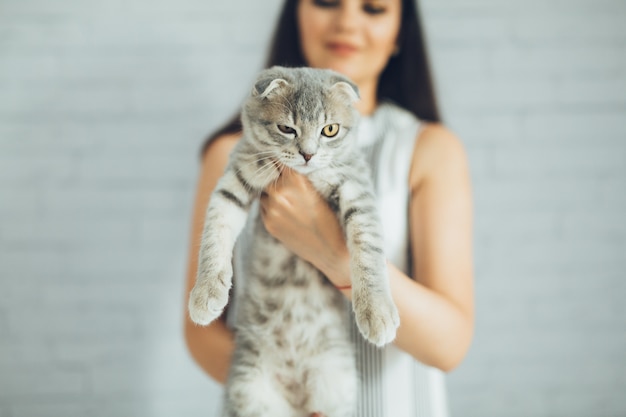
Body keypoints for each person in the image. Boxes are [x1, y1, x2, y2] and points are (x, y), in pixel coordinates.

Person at [183, 0, 474, 416]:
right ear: (295, 14)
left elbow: (450, 345)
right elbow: (200, 332)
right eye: (326, 1)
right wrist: (282, 401)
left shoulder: (429, 149)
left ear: (399, 34)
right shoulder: (232, 151)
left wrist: (335, 255)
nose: (347, 22)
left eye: (373, 9)